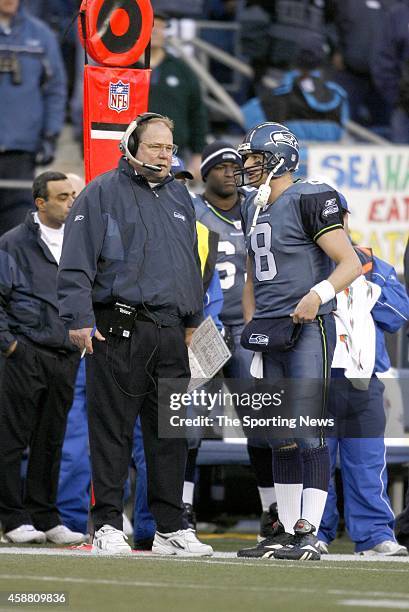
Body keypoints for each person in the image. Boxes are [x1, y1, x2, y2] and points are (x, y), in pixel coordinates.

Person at [57, 112, 213, 556]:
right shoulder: (100, 191)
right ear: (131, 146)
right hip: (117, 327)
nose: (164, 154)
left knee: (170, 434)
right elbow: (77, 261)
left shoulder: (181, 197)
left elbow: (189, 264)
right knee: (111, 431)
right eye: (155, 146)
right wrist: (78, 318)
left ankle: (169, 528)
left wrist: (192, 320)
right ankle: (106, 523)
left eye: (169, 147)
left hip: (170, 331)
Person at [236, 122, 361, 561]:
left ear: (278, 157)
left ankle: (311, 531)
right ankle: (285, 530)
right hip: (271, 328)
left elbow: (350, 262)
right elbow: (253, 273)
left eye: (254, 157)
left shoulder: (310, 196)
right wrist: (254, 325)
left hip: (309, 325)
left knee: (307, 430)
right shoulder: (252, 205)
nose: (247, 165)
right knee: (277, 434)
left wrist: (317, 295)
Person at [317, 201, 409, 557]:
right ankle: (314, 531)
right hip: (316, 374)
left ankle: (373, 536)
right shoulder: (304, 263)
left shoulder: (372, 264)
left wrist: (364, 289)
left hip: (362, 378)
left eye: (335, 218)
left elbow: (398, 315)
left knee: (367, 460)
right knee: (315, 461)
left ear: (345, 220)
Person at [0, 171, 85, 545]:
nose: (71, 202)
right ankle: (12, 517)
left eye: (73, 195)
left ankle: (45, 515)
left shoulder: (81, 239)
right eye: (63, 196)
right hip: (26, 351)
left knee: (52, 439)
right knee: (12, 439)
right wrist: (10, 345)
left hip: (65, 354)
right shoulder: (14, 243)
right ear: (40, 203)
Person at [0, 0, 67, 235]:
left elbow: (55, 89)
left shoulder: (41, 36)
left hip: (21, 151)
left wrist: (51, 134)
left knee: (14, 233)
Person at [135, 12, 208, 179]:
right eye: (152, 26)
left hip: (174, 154)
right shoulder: (125, 68)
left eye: (161, 27)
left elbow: (197, 111)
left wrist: (198, 153)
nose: (156, 31)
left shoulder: (181, 69)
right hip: (133, 151)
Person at [371, 1, 409, 143]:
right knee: (402, 163)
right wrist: (397, 97)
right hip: (405, 110)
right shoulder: (398, 15)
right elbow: (383, 60)